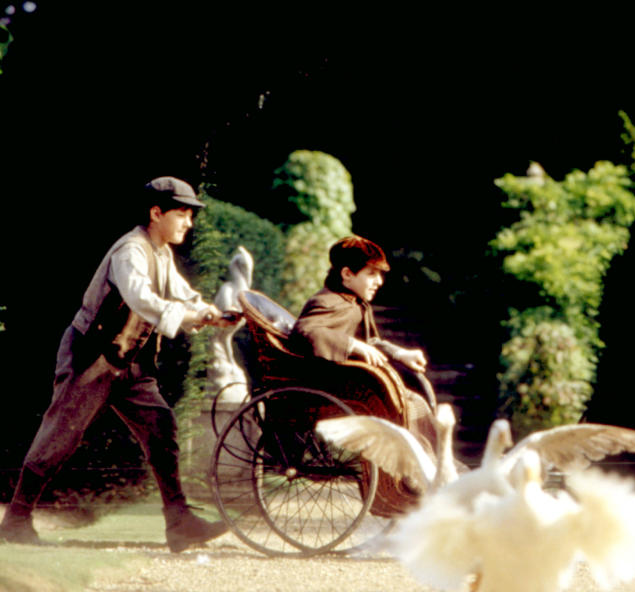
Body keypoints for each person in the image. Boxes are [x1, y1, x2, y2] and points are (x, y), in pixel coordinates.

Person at [0, 176, 237, 552]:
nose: (188, 223)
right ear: (156, 213)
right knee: (60, 435)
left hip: (131, 361)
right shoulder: (130, 251)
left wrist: (209, 312)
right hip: (91, 358)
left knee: (162, 430)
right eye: (182, 214)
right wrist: (191, 317)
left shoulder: (161, 252)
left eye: (191, 215)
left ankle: (180, 523)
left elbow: (180, 292)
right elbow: (142, 300)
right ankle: (15, 520)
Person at [289, 235, 438, 451]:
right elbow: (305, 330)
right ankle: (414, 470)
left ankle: (426, 462)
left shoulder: (355, 303)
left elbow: (370, 341)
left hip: (351, 383)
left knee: (415, 402)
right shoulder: (328, 301)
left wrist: (399, 353)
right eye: (371, 274)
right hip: (331, 386)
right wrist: (353, 345)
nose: (379, 281)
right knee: (409, 403)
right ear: (347, 274)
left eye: (380, 274)